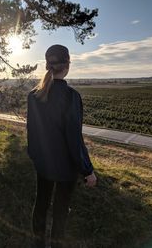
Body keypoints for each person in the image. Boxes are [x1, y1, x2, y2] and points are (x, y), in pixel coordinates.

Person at [27, 44, 97, 248]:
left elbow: (32, 133)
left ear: (48, 65)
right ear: (67, 65)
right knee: (60, 212)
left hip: (43, 164)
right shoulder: (71, 97)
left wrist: (36, 157)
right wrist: (87, 170)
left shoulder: (33, 95)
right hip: (66, 169)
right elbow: (74, 140)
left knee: (40, 204)